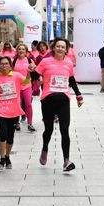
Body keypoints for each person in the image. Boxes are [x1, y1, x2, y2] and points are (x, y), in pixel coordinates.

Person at [36, 38, 84, 172]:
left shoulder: (68, 63)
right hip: (48, 99)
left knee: (65, 130)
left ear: (66, 49)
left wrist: (78, 95)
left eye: (63, 47)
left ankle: (66, 161)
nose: (60, 49)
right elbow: (36, 75)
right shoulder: (45, 62)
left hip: (63, 100)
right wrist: (33, 74)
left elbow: (71, 79)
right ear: (53, 48)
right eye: (58, 46)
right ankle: (45, 148)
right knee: (49, 129)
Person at [0, 54, 29, 168]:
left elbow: (26, 83)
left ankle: (8, 156)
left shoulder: (17, 75)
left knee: (10, 136)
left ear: (10, 66)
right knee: (3, 133)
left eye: (6, 64)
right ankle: (2, 158)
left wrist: (29, 73)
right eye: (2, 64)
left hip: (14, 111)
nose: (4, 66)